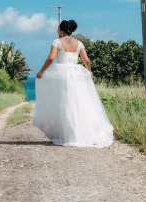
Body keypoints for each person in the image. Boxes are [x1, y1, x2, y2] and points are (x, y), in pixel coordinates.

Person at [32, 19, 113, 147]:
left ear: (62, 30)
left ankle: (66, 134)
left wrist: (41, 71)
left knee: (62, 103)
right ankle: (79, 133)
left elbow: (51, 58)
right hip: (76, 74)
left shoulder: (57, 42)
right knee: (77, 102)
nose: (56, 30)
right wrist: (89, 72)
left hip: (61, 74)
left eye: (58, 28)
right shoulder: (79, 43)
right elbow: (87, 60)